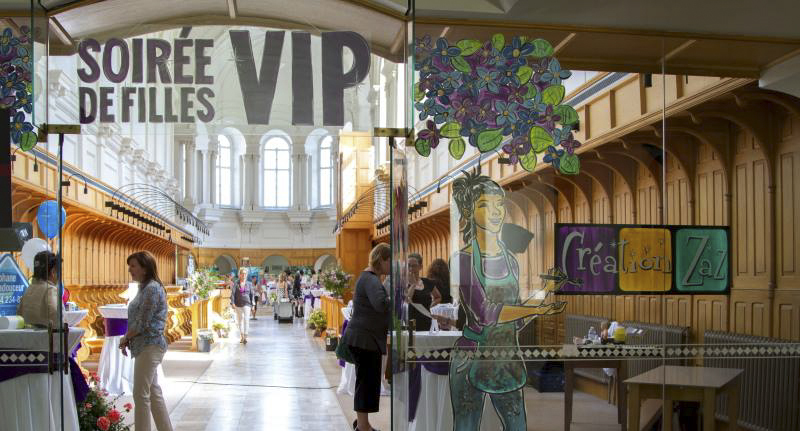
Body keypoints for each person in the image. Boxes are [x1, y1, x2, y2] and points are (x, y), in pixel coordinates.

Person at [449, 169, 566, 430]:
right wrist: (537, 308)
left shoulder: (511, 261)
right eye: (484, 205)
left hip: (505, 358)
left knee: (517, 425)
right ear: (468, 212)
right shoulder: (462, 260)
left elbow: (516, 322)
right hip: (472, 357)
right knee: (466, 425)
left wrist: (543, 295)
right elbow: (485, 313)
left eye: (499, 204)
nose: (495, 211)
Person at [119, 251, 173, 431]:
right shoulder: (145, 287)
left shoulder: (151, 288)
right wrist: (128, 338)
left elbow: (142, 321)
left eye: (133, 266)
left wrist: (126, 337)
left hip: (150, 345)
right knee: (153, 391)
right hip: (145, 344)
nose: (130, 269)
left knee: (140, 394)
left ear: (145, 268)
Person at [340, 243, 391, 431]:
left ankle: (364, 424)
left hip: (365, 339)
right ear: (382, 260)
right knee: (366, 384)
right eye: (389, 261)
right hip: (365, 340)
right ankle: (362, 428)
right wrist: (395, 299)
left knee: (366, 383)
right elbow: (380, 304)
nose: (391, 265)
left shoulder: (370, 277)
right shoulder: (371, 279)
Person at [17, 251, 62, 328]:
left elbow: (19, 315)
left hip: (28, 336)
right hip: (48, 338)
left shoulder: (29, 289)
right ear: (53, 272)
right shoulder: (50, 290)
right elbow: (58, 318)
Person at [405, 253, 441, 331]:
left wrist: (431, 306)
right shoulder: (403, 283)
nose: (411, 268)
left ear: (420, 267)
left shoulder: (427, 282)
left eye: (414, 266)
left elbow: (438, 297)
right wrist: (413, 284)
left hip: (426, 320)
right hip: (411, 322)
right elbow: (407, 301)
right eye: (408, 265)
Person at [231, 268, 253, 344]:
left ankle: (246, 336)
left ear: (246, 275)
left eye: (245, 274)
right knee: (240, 320)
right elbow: (233, 294)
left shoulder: (249, 284)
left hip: (247, 303)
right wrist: (232, 303)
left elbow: (251, 294)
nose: (243, 275)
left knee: (246, 319)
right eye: (242, 273)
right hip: (238, 303)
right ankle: (242, 336)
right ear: (239, 274)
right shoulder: (236, 283)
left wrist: (253, 304)